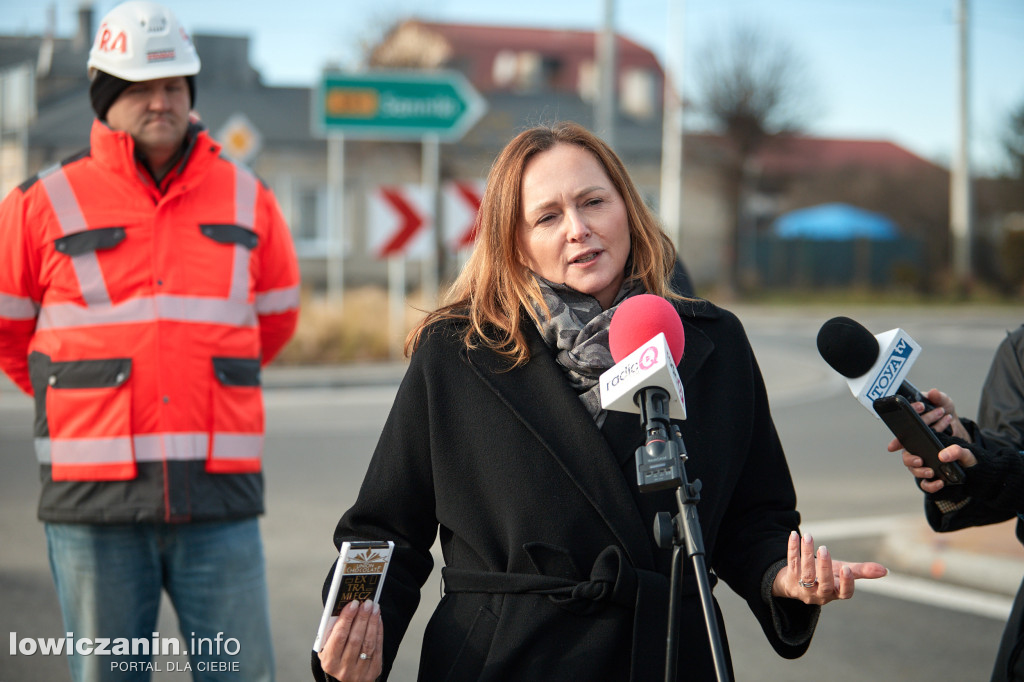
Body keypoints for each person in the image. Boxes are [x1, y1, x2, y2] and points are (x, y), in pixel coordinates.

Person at [312, 121, 886, 682]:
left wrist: (781, 575)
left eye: (593, 202)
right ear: (516, 243)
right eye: (548, 216)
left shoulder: (714, 342)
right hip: (506, 657)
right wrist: (355, 624)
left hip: (666, 653)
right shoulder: (458, 352)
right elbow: (385, 529)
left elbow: (754, 517)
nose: (578, 229)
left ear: (628, 210)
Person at [0, 2, 300, 680]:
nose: (158, 100)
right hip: (93, 505)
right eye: (138, 86)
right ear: (106, 95)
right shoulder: (38, 203)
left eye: (172, 85)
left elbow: (274, 322)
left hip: (218, 502)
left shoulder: (250, 198)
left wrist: (201, 381)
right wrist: (78, 399)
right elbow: (11, 335)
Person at [888, 323, 1024, 682]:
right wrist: (963, 447)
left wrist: (992, 469)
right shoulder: (1020, 349)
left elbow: (1006, 472)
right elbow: (1009, 466)